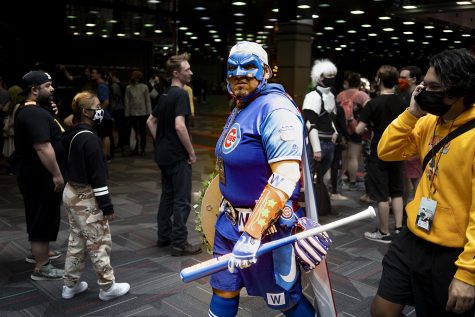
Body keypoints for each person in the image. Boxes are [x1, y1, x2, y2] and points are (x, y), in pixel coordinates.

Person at [208, 41, 332, 317]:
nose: (239, 73)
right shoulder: (242, 106)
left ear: (265, 71)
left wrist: (253, 233)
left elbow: (287, 174)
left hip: (269, 229)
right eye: (232, 68)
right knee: (223, 288)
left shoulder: (275, 110)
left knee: (283, 298)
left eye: (248, 66)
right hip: (229, 225)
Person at [372, 48, 475, 316]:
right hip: (413, 235)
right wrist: (411, 114)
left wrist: (467, 274)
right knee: (381, 310)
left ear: (458, 92)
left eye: (433, 87)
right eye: (423, 84)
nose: (422, 91)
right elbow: (387, 151)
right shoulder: (428, 121)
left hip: (452, 251)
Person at [61, 91, 130, 301]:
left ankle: (69, 285)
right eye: (97, 107)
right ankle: (108, 287)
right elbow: (99, 179)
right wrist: (106, 207)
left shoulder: (72, 134)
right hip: (86, 198)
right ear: (85, 111)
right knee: (99, 241)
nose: (101, 111)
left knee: (77, 240)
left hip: (70, 192)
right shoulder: (90, 139)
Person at [146, 53, 202, 256]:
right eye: (187, 69)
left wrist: (160, 141)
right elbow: (180, 126)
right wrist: (191, 151)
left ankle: (164, 236)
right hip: (177, 155)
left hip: (163, 155)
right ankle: (179, 242)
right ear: (176, 73)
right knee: (182, 200)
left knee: (167, 196)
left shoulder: (165, 94)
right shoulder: (181, 95)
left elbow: (150, 121)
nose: (191, 72)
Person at [14, 71, 65, 280]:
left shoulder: (31, 110)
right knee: (42, 217)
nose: (52, 89)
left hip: (34, 175)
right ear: (34, 90)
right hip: (40, 176)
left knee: (39, 214)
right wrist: (57, 174)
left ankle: (40, 252)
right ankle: (41, 266)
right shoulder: (34, 114)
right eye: (47, 85)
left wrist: (50, 113)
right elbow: (43, 147)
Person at [355, 65, 405, 243]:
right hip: (399, 150)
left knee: (382, 194)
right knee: (397, 191)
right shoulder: (402, 102)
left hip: (380, 151)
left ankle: (384, 232)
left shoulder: (373, 104)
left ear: (379, 80)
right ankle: (399, 228)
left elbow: (359, 129)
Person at [399, 66, 423, 205]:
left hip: (413, 139)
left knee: (413, 177)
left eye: (403, 77)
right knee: (408, 177)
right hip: (406, 139)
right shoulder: (404, 94)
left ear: (413, 79)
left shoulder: (417, 96)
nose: (400, 80)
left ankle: (415, 206)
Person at [124, 70, 151, 156]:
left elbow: (147, 100)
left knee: (142, 131)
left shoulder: (144, 87)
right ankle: (135, 148)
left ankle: (142, 148)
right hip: (133, 113)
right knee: (134, 132)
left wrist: (149, 113)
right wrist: (127, 114)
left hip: (142, 112)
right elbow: (127, 101)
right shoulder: (128, 88)